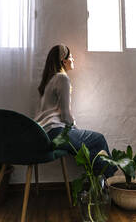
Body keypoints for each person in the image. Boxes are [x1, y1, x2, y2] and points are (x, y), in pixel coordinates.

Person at [35, 44, 117, 178]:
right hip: (58, 133)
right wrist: (74, 127)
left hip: (46, 134)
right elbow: (66, 115)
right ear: (64, 61)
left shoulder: (49, 81)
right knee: (99, 139)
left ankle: (98, 185)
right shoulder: (62, 78)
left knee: (88, 152)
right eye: (71, 57)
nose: (73, 60)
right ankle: (110, 182)